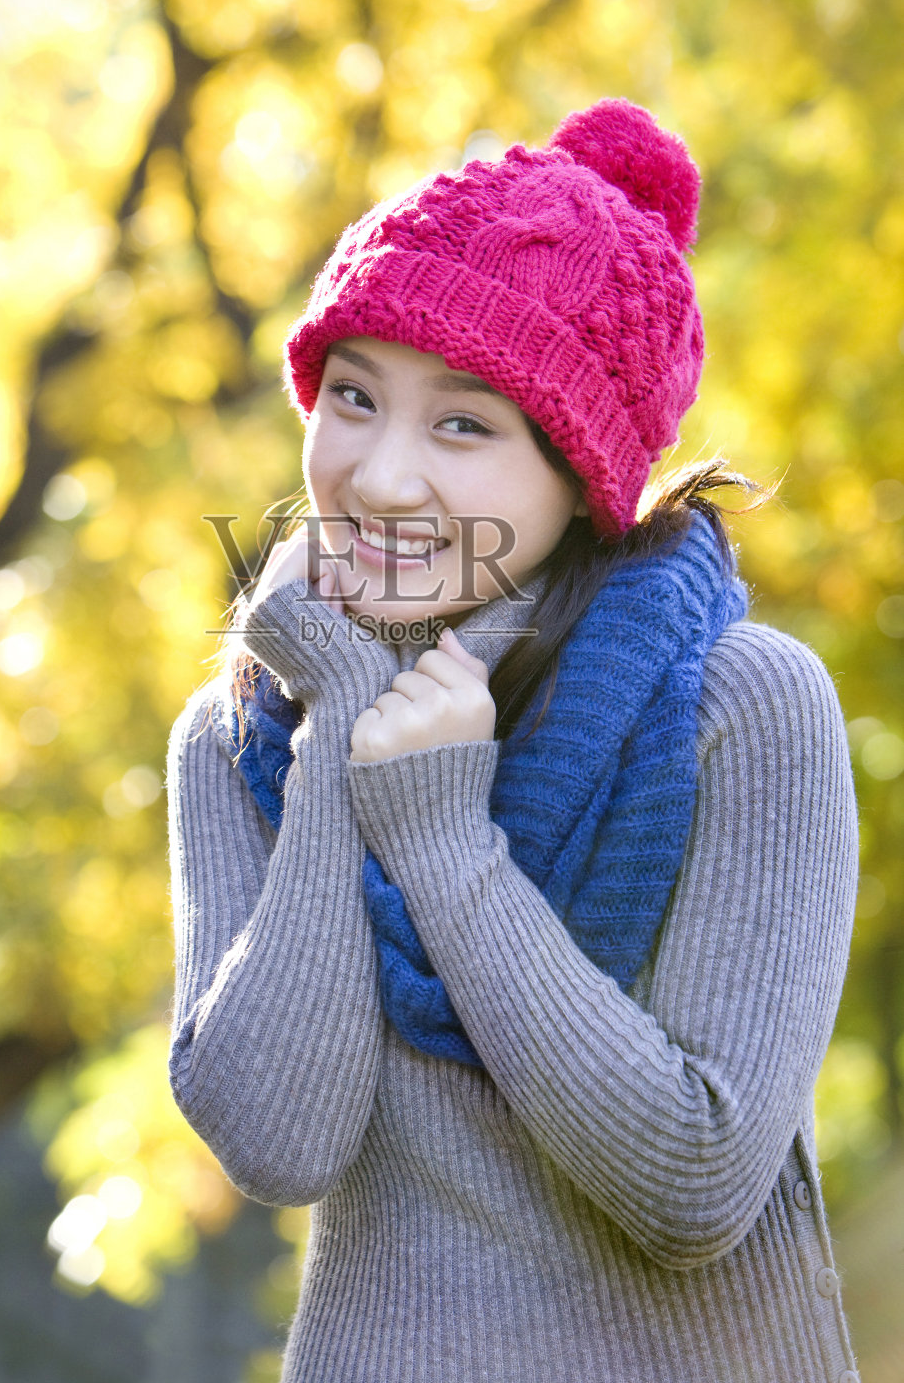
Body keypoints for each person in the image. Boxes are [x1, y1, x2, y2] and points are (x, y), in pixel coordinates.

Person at [167, 99, 861, 1382]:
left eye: (463, 424)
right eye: (353, 397)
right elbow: (278, 1143)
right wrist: (338, 731)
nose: (379, 477)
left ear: (579, 475)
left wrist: (442, 840)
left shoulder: (738, 706)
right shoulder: (242, 732)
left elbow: (696, 1183)